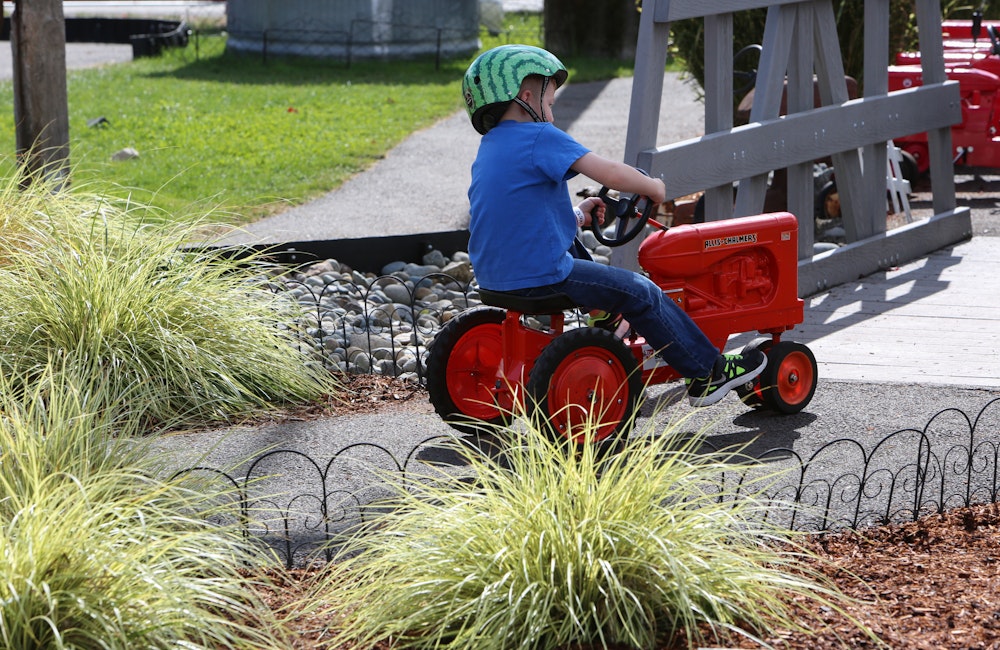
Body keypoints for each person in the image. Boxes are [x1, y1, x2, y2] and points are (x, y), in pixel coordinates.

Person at [462, 44, 766, 407]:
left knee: (574, 248)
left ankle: (605, 315)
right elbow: (608, 172)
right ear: (527, 97)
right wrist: (653, 186)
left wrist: (579, 215)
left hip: (494, 279)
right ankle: (708, 372)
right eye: (551, 104)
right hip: (541, 277)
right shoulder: (539, 136)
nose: (552, 116)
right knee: (643, 292)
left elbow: (520, 220)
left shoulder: (490, 147)